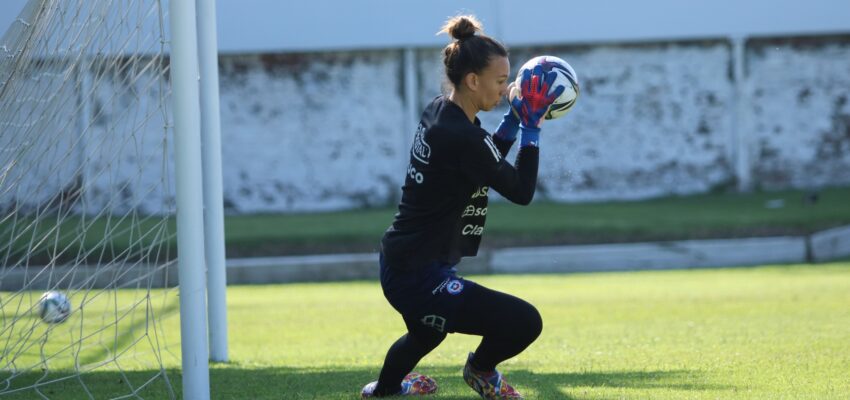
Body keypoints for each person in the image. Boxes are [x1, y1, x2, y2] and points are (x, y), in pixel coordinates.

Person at [361, 15, 565, 399]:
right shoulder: (462, 136)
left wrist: (511, 122)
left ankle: (385, 391)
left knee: (426, 333)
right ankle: (481, 371)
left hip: (401, 262)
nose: (507, 90)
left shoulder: (441, 110)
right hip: (419, 277)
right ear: (473, 80)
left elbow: (480, 162)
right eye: (502, 82)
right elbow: (520, 190)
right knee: (525, 321)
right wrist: (531, 129)